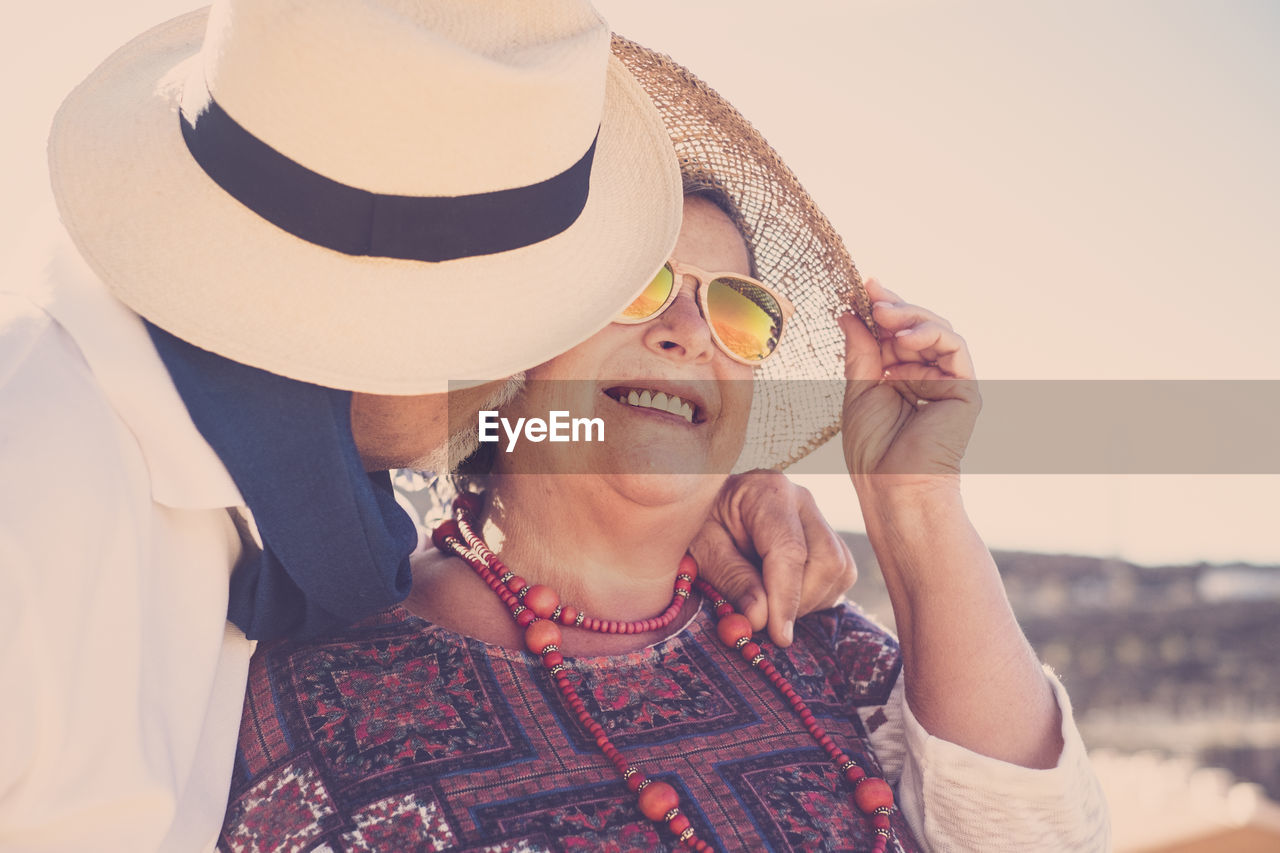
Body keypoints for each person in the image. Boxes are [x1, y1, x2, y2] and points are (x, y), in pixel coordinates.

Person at [215, 39, 1109, 852]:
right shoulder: (303, 686)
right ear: (520, 344)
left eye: (738, 308)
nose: (689, 330)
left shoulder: (823, 649)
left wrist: (913, 497)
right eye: (637, 282)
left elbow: (1042, 840)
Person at [0, 4, 856, 850]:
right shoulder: (33, 493)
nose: (513, 368)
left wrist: (681, 503)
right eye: (579, 299)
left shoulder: (289, 503)